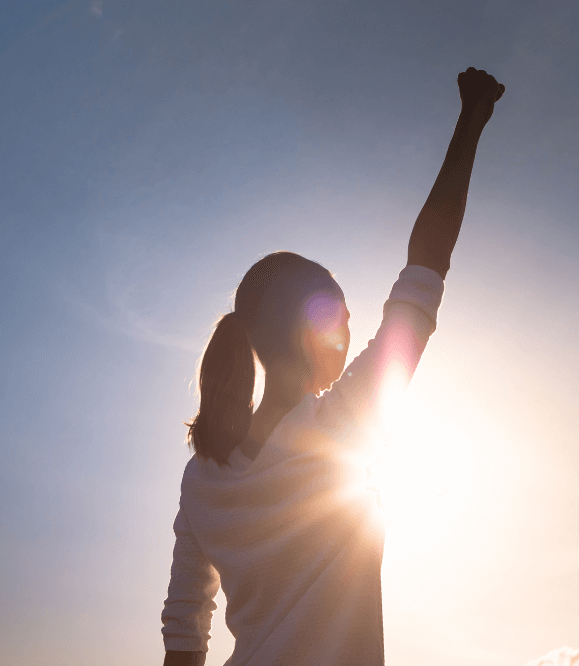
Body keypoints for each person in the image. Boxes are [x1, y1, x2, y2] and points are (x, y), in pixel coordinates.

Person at [161, 67, 505, 666]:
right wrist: (471, 122)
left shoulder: (202, 478)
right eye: (340, 321)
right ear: (309, 334)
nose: (349, 337)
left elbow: (184, 638)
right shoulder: (342, 424)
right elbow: (426, 269)